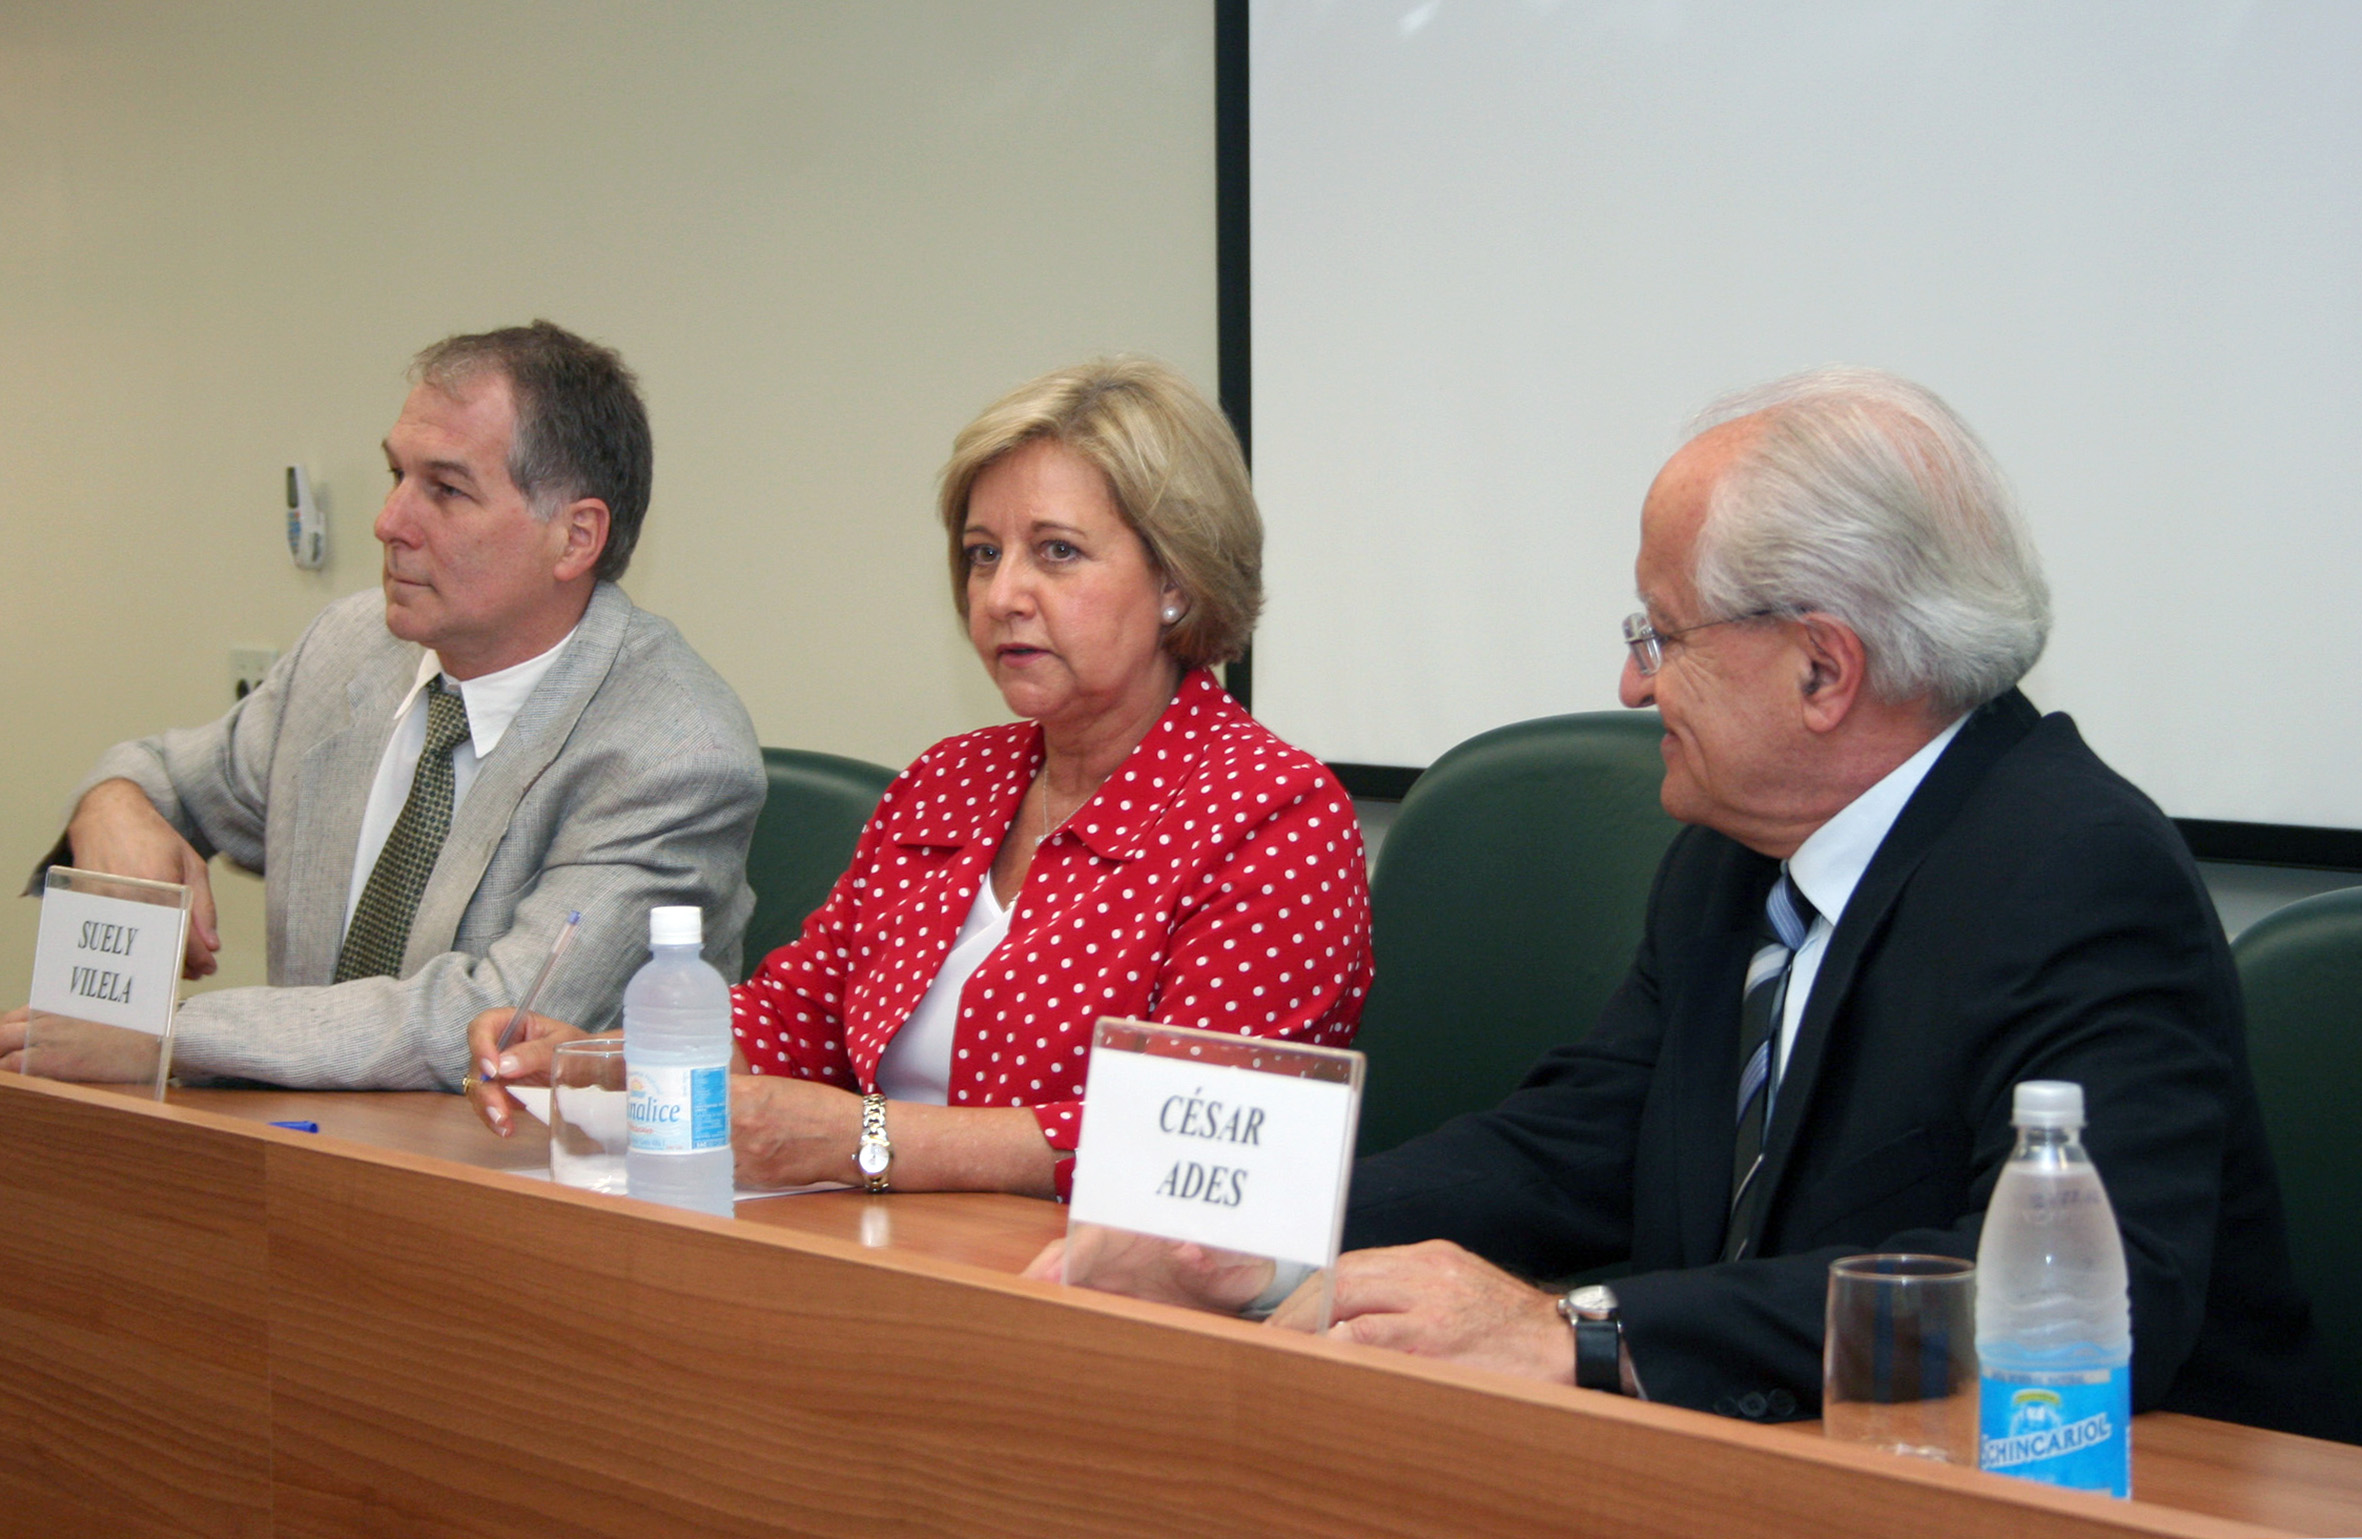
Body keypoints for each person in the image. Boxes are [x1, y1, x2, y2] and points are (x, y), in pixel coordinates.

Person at [1048, 367, 2346, 1440]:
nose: (1630, 683)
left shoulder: (2077, 869)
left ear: (1822, 669)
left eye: (1660, 635)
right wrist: (1244, 1223)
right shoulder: (1734, 851)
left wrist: (1578, 1331)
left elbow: (2082, 1298)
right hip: (1775, 1463)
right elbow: (1575, 1144)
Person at [470, 358, 1373, 1200]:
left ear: (1177, 578)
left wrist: (862, 1140)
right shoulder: (949, 781)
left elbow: (1202, 1141)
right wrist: (611, 1062)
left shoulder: (1275, 817)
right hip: (886, 1251)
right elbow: (796, 1022)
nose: (1002, 594)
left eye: (1057, 551)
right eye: (984, 553)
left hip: (1102, 1287)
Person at [5, 322, 764, 1091]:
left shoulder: (677, 749)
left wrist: (169, 1036)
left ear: (574, 537)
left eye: (446, 489)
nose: (389, 522)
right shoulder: (352, 648)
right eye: (397, 474)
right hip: (288, 1144)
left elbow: (492, 1021)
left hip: (511, 1158)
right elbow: (172, 776)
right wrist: (115, 803)